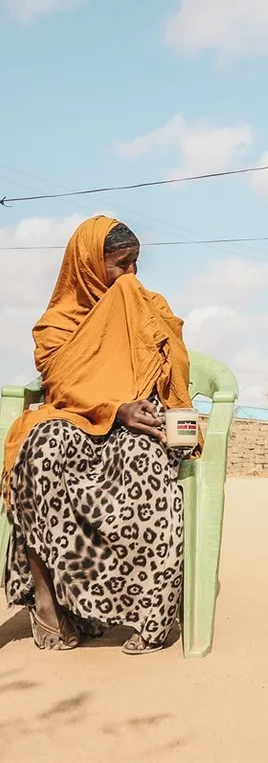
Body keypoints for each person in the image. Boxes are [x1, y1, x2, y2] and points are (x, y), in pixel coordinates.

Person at [2, 215, 198, 655]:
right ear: (88, 265)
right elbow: (61, 384)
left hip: (137, 422)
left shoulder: (148, 305)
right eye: (121, 264)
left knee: (146, 464)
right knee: (38, 450)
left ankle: (153, 617)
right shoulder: (56, 323)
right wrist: (113, 407)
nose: (131, 275)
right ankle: (50, 602)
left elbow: (170, 367)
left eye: (135, 263)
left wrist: (135, 409)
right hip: (79, 420)